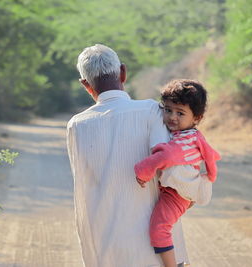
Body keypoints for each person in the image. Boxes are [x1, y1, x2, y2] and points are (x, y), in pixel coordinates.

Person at [67, 44, 195, 266]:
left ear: (85, 85)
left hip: (108, 253)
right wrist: (192, 194)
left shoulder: (76, 126)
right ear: (123, 73)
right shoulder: (151, 111)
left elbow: (84, 191)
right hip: (155, 253)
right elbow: (173, 169)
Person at [134, 79, 221, 267]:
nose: (172, 117)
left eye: (180, 113)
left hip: (176, 194)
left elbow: (163, 157)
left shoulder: (179, 145)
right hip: (182, 190)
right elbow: (211, 155)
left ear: (196, 118)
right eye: (168, 110)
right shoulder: (193, 135)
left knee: (159, 229)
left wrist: (141, 173)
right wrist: (210, 176)